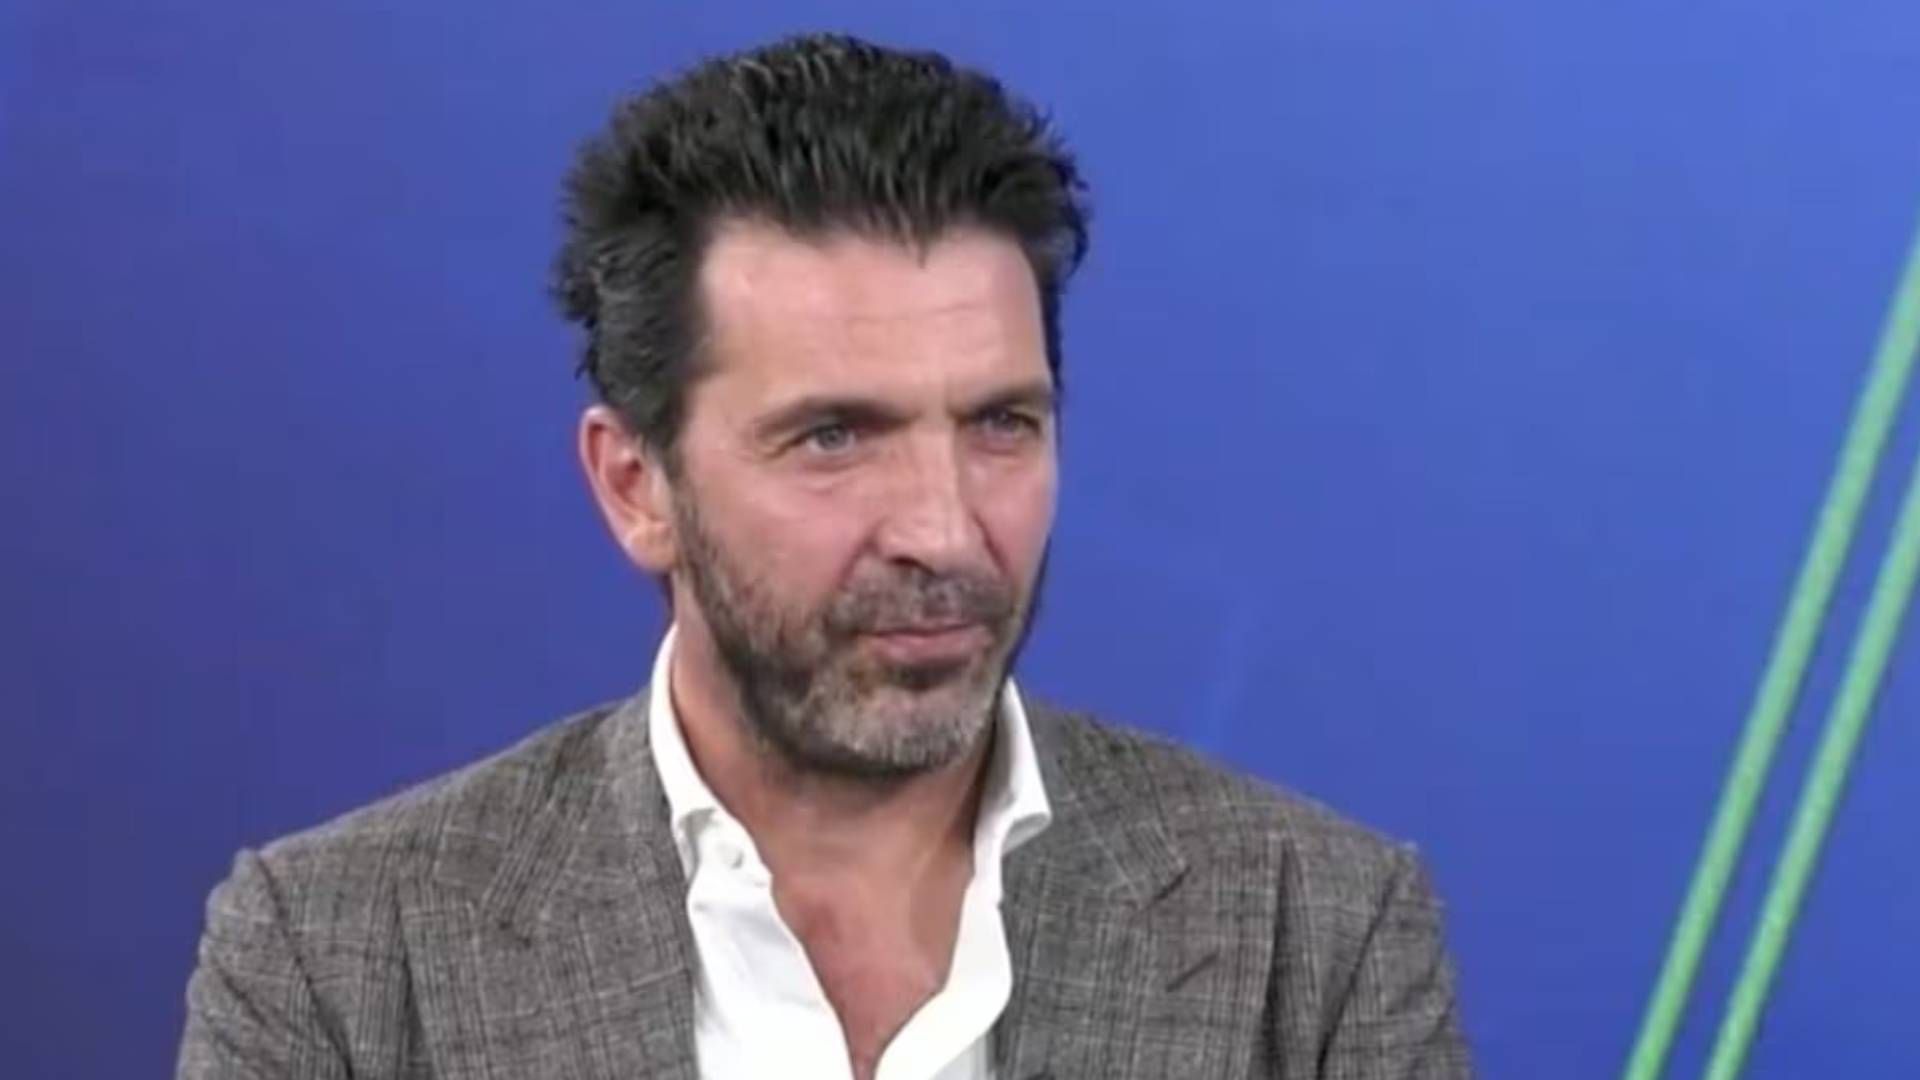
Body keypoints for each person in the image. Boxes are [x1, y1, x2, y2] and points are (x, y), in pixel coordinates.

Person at [177, 32, 1472, 1080]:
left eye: (1001, 425)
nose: (943, 531)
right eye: (834, 437)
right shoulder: (340, 958)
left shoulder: (1316, 935)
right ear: (637, 487)